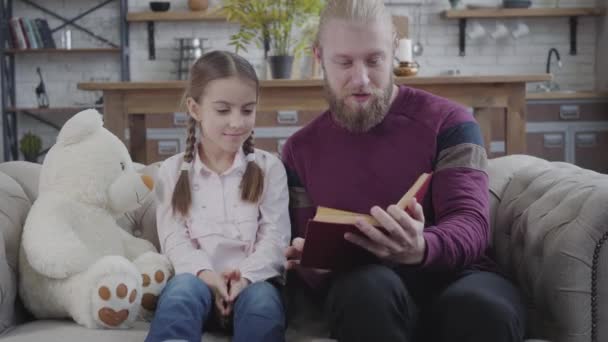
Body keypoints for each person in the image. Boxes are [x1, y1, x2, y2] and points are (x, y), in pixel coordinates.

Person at [282, 1, 526, 341]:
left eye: (374, 60)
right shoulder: (298, 151)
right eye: (344, 62)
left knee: (480, 308)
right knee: (363, 291)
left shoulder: (450, 122)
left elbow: (471, 224)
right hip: (367, 289)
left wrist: (421, 247)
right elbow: (309, 258)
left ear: (393, 51)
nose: (361, 78)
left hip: (459, 276)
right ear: (320, 58)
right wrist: (313, 268)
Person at [146, 50, 290, 342]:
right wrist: (208, 278)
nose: (237, 122)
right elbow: (174, 241)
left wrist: (244, 279)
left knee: (263, 302)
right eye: (223, 110)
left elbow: (275, 239)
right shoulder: (172, 172)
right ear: (195, 109)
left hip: (253, 285)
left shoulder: (269, 168)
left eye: (247, 110)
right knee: (180, 293)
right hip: (197, 283)